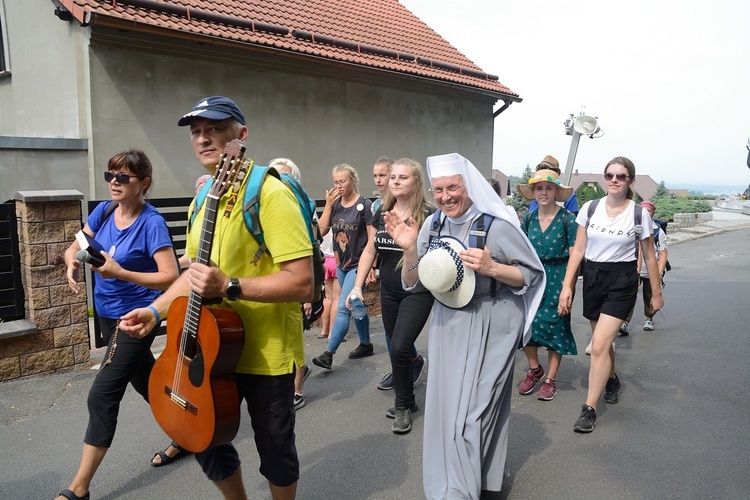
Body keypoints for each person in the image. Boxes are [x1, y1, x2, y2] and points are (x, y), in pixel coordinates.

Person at [119, 96, 313, 499]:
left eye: (214, 129)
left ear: (240, 136)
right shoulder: (201, 201)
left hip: (266, 353)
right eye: (196, 132)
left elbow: (302, 283)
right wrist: (155, 312)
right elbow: (194, 274)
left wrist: (230, 286)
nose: (203, 139)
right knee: (201, 438)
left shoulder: (270, 194)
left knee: (275, 450)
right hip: (208, 347)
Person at [384, 153, 544, 498]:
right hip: (449, 323)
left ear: (468, 186)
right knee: (448, 409)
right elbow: (415, 282)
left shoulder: (497, 226)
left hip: (496, 320)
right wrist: (411, 251)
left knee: (476, 411)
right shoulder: (433, 225)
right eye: (439, 190)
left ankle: (463, 488)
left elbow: (530, 275)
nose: (445, 197)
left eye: (453, 187)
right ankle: (469, 482)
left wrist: (493, 268)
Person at [56, 150, 180, 500]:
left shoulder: (151, 222)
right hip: (108, 316)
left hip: (135, 320)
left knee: (102, 394)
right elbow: (77, 245)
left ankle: (79, 488)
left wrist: (120, 272)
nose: (114, 182)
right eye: (111, 174)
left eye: (123, 177)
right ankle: (191, 431)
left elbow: (170, 276)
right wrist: (71, 262)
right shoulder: (106, 210)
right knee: (149, 384)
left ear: (144, 182)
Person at [558, 156, 664, 433]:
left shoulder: (640, 214)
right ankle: (612, 379)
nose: (614, 180)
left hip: (622, 280)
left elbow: (650, 257)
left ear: (630, 181)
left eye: (621, 176)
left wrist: (656, 294)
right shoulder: (590, 209)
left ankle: (589, 408)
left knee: (600, 343)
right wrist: (567, 285)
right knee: (603, 343)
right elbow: (578, 251)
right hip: (593, 276)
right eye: (610, 175)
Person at [348, 158, 434, 433]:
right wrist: (357, 286)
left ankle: (402, 406)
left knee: (398, 347)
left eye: (402, 177)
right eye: (393, 177)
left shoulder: (430, 215)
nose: (395, 181)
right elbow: (370, 251)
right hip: (389, 289)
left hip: (418, 290)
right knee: (400, 347)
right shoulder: (382, 211)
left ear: (416, 182)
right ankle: (409, 398)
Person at [516, 169, 578, 400]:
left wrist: (568, 287)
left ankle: (550, 378)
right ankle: (535, 369)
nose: (544, 192)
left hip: (559, 277)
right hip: (532, 278)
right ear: (533, 193)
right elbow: (519, 251)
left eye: (549, 188)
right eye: (539, 188)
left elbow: (575, 256)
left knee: (555, 326)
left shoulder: (567, 220)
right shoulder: (528, 219)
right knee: (527, 325)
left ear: (556, 192)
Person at [312, 164, 374, 369]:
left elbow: (372, 239)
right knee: (356, 304)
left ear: (353, 180)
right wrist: (328, 206)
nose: (338, 185)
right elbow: (320, 232)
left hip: (358, 265)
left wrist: (372, 266)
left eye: (342, 181)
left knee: (343, 306)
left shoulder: (364, 205)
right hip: (341, 264)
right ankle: (366, 343)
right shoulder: (336, 205)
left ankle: (329, 354)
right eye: (335, 182)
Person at [268, 157, 313, 410]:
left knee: (293, 332)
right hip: (272, 274)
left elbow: (312, 240)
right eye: (277, 174)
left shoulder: (300, 202)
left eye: (287, 175)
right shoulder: (267, 201)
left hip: (293, 275)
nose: (281, 179)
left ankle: (296, 386)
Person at [635, 200, 668, 331]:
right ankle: (624, 321)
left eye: (648, 210)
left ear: (653, 212)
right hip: (634, 269)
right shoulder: (633, 227)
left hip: (651, 270)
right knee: (629, 295)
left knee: (649, 295)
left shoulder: (657, 231)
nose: (645, 213)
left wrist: (659, 272)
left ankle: (649, 319)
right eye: (643, 210)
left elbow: (663, 253)